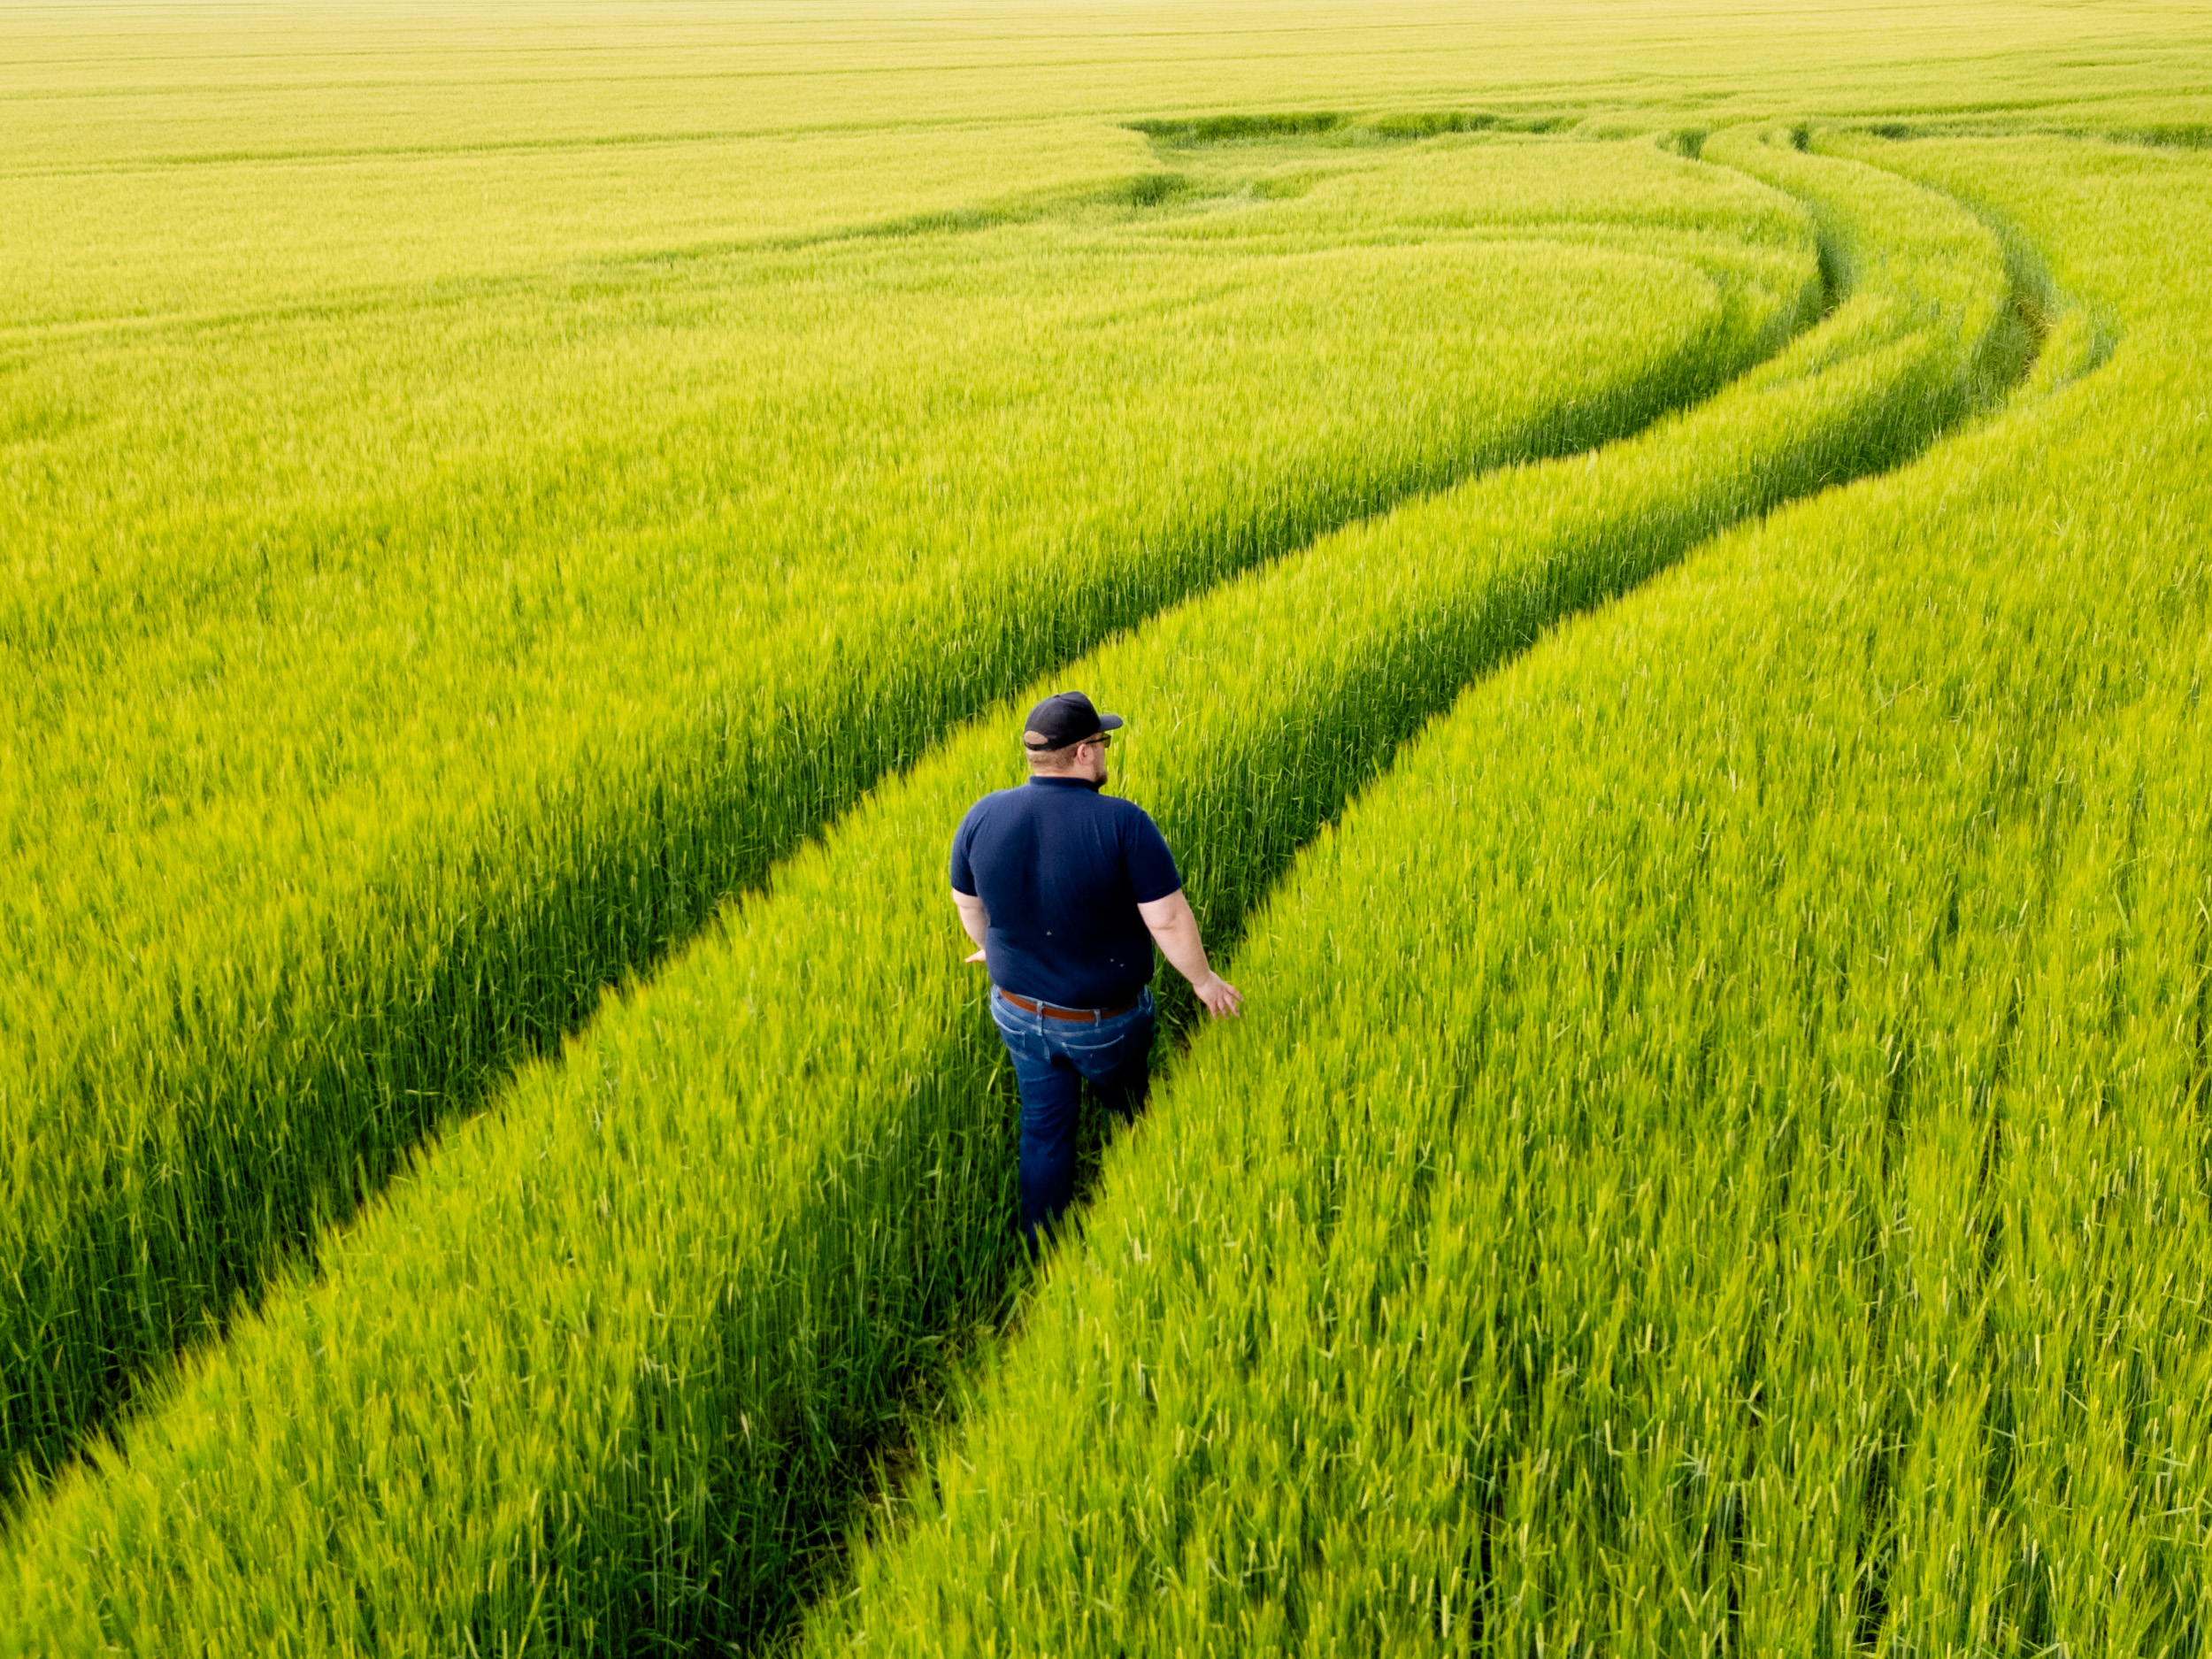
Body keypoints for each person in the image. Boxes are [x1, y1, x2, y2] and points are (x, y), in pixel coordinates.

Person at [949, 690, 1242, 1245]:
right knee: (1131, 1109)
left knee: (1043, 1133)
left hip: (1017, 1012)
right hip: (1103, 1023)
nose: (1107, 753)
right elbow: (1170, 921)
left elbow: (969, 905)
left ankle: (1045, 1256)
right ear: (1083, 753)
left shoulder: (982, 815)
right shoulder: (1124, 824)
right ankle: (1146, 1209)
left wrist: (997, 944)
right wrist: (1204, 983)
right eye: (1103, 743)